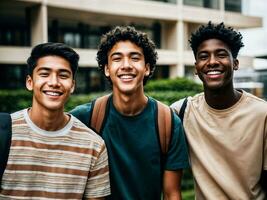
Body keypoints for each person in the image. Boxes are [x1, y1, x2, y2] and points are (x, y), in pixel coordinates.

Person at [71, 26, 189, 200]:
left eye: (135, 58)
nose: (126, 65)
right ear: (106, 69)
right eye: (117, 59)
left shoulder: (168, 122)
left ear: (147, 68)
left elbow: (172, 194)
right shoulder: (85, 117)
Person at [0, 42, 110, 199]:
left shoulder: (94, 146)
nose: (54, 82)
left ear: (72, 85)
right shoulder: (3, 133)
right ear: (29, 82)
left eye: (63, 75)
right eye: (44, 74)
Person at [171, 21, 267, 199]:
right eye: (204, 56)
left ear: (235, 63)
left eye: (221, 55)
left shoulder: (262, 114)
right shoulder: (182, 111)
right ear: (196, 67)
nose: (212, 62)